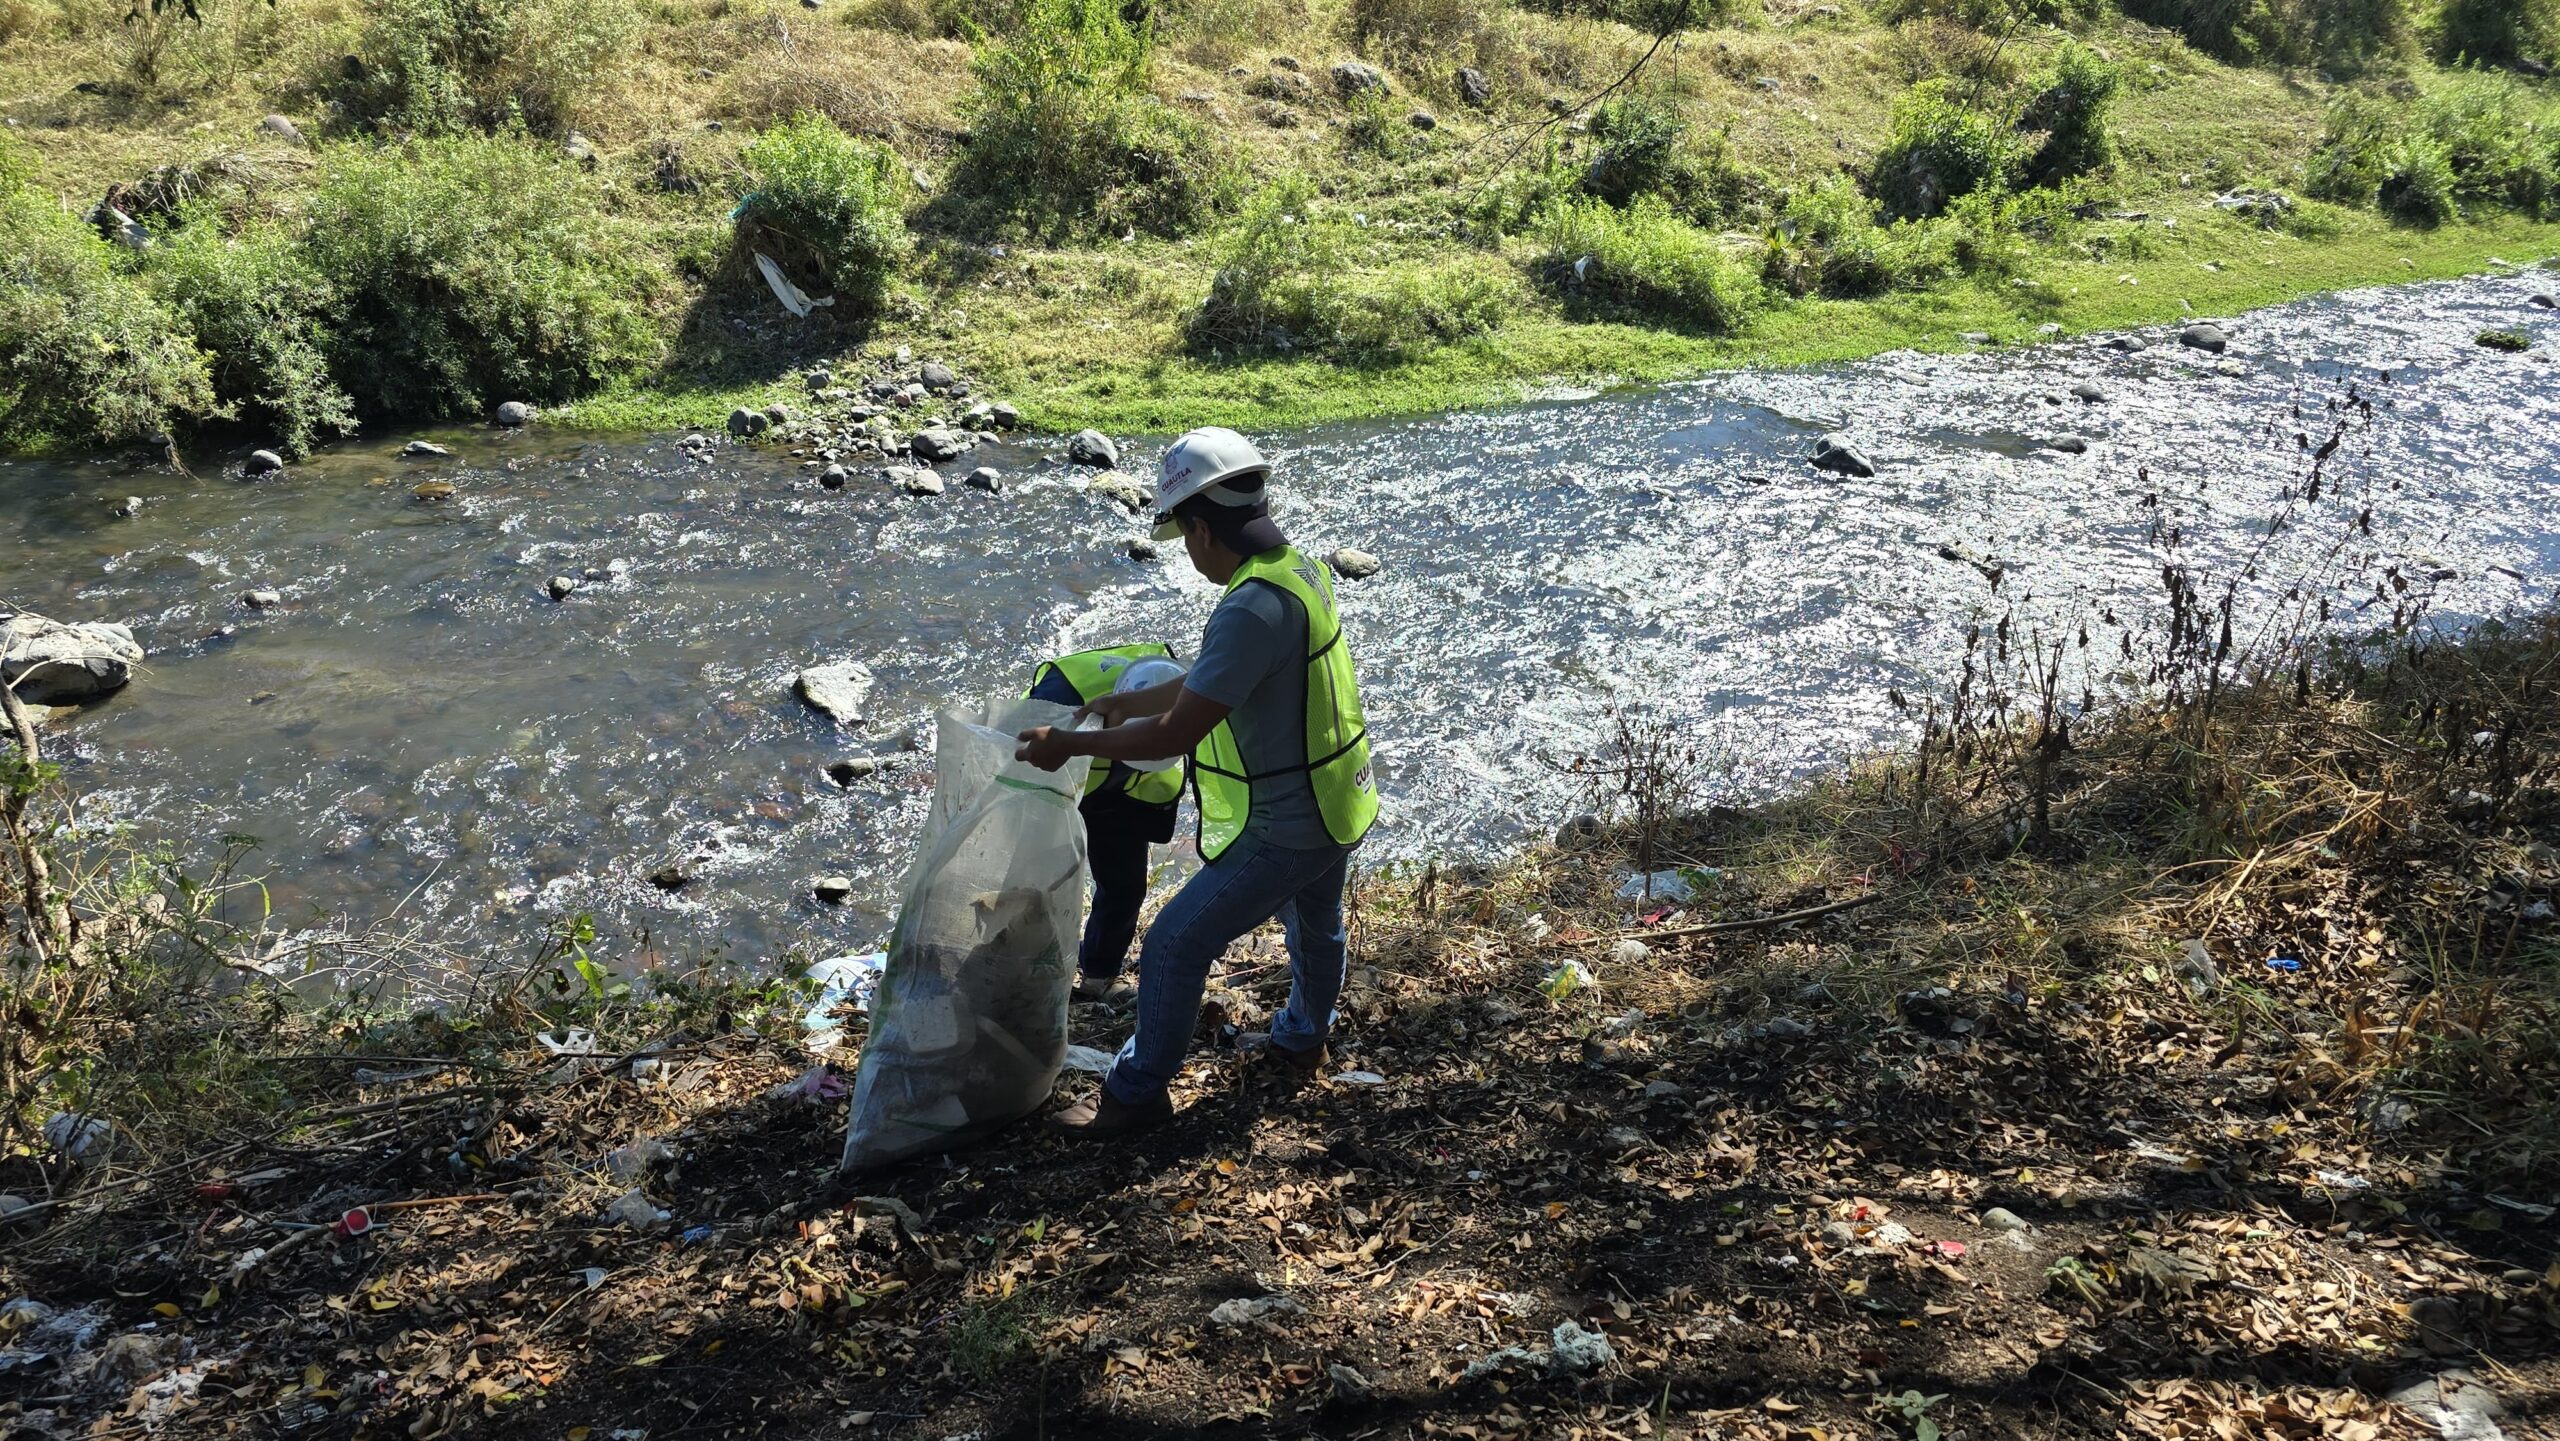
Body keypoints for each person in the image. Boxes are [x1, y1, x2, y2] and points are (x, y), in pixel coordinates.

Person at [1014, 426, 1378, 1140]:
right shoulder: (1296, 569)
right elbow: (1215, 683)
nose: (1188, 551)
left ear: (1204, 529)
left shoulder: (1246, 605)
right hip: (1340, 793)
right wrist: (1131, 700)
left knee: (1177, 943)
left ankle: (1136, 1092)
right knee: (1316, 923)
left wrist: (1071, 743)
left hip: (1289, 819)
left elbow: (1178, 734)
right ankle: (1305, 1036)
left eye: (1184, 536)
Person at [1023, 646, 1187, 1003]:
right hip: (1053, 783)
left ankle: (1099, 973)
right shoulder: (1060, 699)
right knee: (1036, 883)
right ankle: (1027, 969)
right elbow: (1019, 760)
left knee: (1125, 886)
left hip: (1121, 788)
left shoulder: (1180, 692)